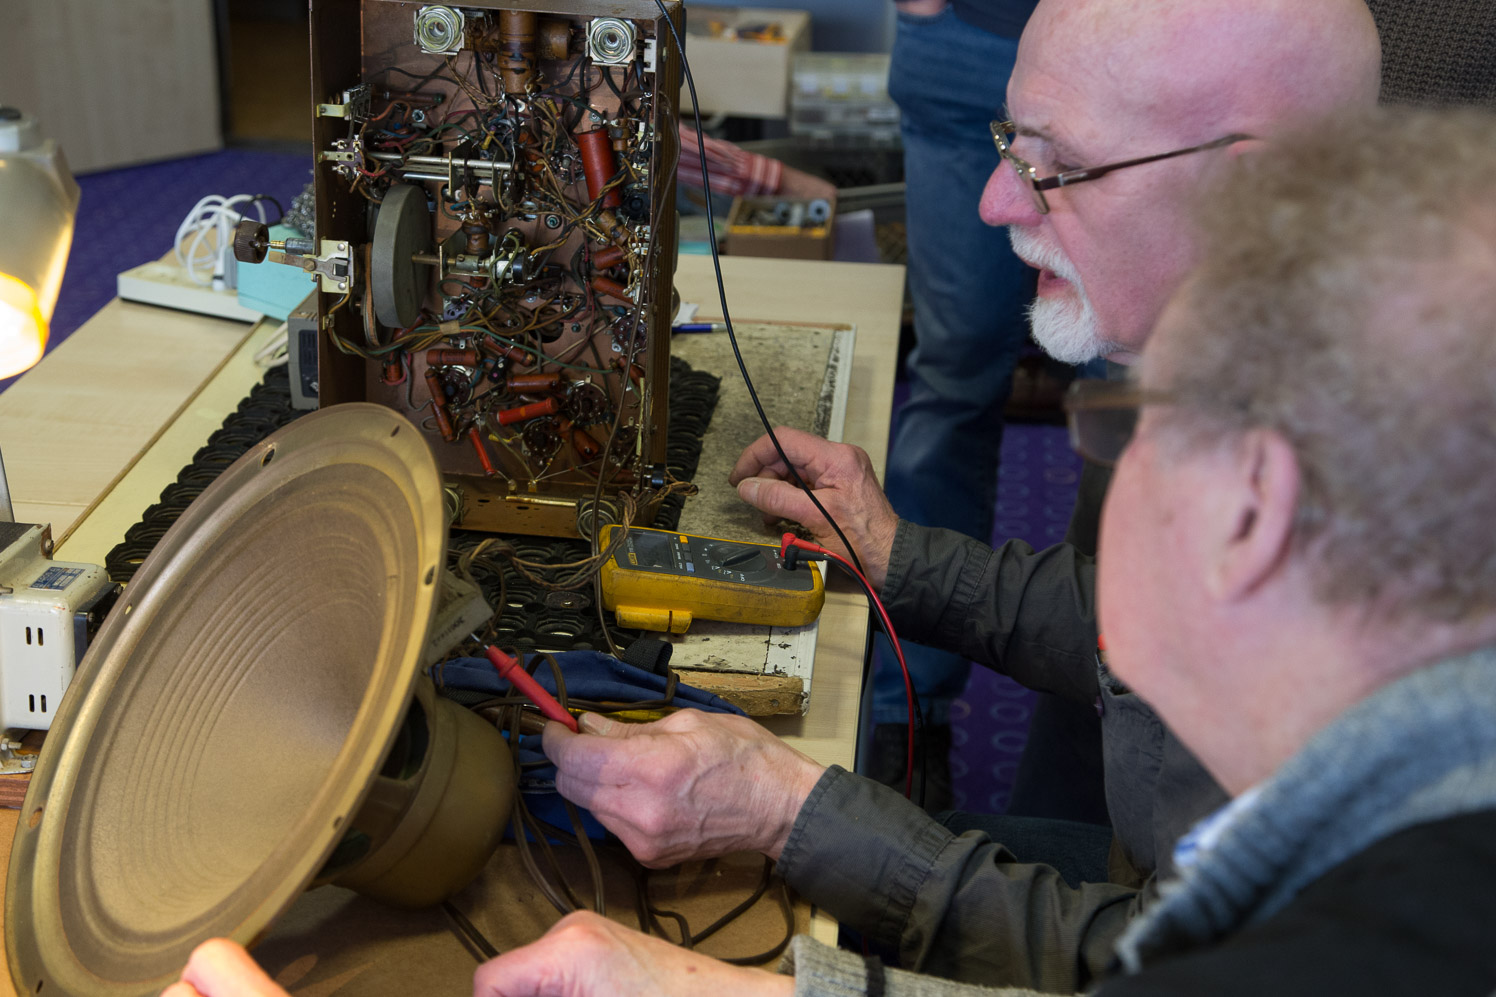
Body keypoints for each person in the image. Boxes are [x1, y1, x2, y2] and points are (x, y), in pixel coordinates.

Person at [164, 104, 1496, 996]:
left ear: (1251, 509)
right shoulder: (1403, 816)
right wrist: (899, 560)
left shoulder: (1368, 938)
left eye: (1128, 424)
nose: (995, 195)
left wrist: (783, 828)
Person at [866, 0, 1041, 812]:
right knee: (954, 377)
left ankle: (1120, 713)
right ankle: (910, 709)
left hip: (1153, 57)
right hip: (969, 43)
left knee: (1135, 401)